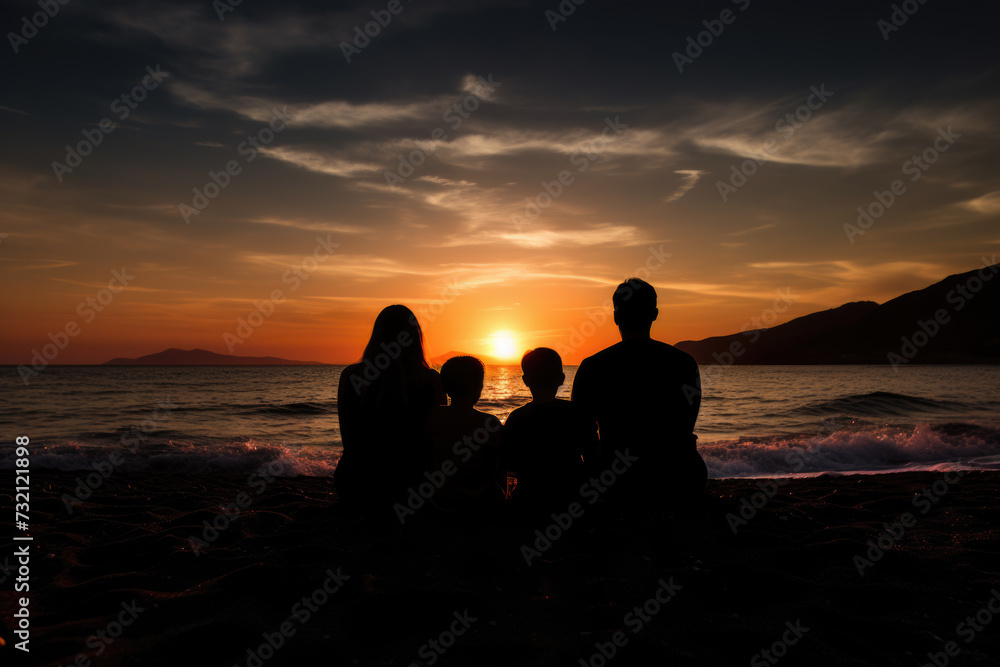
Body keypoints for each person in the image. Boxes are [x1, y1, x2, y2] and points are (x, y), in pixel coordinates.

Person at [571, 278, 707, 507]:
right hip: (679, 475)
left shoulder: (592, 366)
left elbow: (581, 430)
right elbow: (686, 424)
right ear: (654, 314)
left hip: (617, 480)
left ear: (615, 317)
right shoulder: (684, 363)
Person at [334, 305, 446, 512]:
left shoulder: (350, 376)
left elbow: (348, 440)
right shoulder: (431, 380)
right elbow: (437, 442)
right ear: (416, 337)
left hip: (354, 483)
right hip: (410, 486)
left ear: (377, 335)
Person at [502, 348, 599, 515]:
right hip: (571, 497)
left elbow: (508, 463)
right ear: (561, 379)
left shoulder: (517, 418)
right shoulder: (577, 413)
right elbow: (593, 455)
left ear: (525, 380)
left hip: (529, 499)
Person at [422, 356, 504, 512]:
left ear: (444, 387)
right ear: (479, 387)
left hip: (439, 499)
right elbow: (496, 465)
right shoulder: (489, 423)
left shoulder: (431, 416)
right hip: (478, 500)